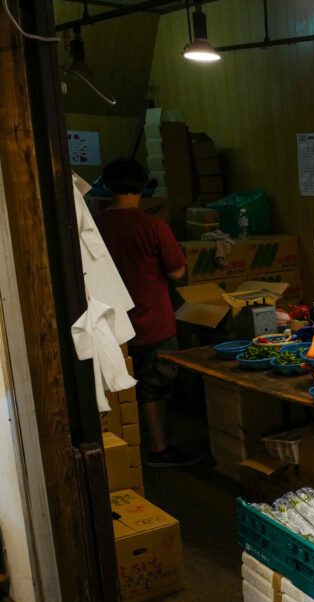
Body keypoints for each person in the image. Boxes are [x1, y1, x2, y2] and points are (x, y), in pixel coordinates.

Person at [96, 158, 199, 468]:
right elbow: (178, 271)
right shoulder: (154, 226)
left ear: (108, 185)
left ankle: (119, 453)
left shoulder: (96, 225)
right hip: (153, 322)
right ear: (143, 186)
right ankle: (158, 448)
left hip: (110, 324)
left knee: (117, 389)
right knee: (155, 385)